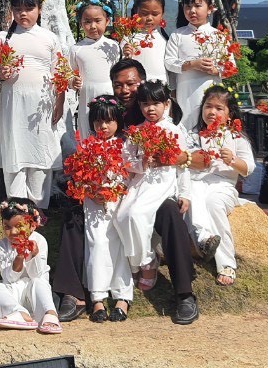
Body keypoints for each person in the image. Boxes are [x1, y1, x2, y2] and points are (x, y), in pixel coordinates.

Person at [51, 57, 199, 325]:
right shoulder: (107, 111)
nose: (125, 90)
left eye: (130, 83)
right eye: (118, 85)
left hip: (150, 186)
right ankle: (74, 294)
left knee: (169, 212)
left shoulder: (165, 119)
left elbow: (190, 159)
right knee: (75, 214)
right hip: (117, 187)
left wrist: (174, 159)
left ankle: (184, 294)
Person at [0, 0, 66, 209]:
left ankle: (38, 207)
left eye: (29, 8)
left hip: (41, 106)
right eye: (17, 9)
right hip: (13, 104)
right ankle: (15, 205)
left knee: (39, 153)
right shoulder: (3, 37)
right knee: (14, 150)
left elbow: (60, 73)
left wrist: (60, 103)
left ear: (40, 9)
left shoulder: (49, 38)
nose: (23, 13)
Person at [114, 81, 191, 290]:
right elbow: (126, 161)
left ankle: (147, 263)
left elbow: (182, 165)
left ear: (166, 104)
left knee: (137, 214)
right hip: (140, 180)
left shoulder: (174, 130)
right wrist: (142, 162)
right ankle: (139, 260)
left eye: (155, 103)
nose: (150, 109)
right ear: (139, 107)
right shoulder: (136, 132)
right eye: (145, 104)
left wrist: (185, 193)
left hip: (162, 181)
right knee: (121, 216)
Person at [70, 95, 133, 323]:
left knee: (118, 245)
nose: (103, 127)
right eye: (98, 122)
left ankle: (122, 297)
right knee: (96, 243)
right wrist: (89, 190)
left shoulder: (126, 145)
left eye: (108, 121)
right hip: (93, 201)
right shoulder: (86, 145)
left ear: (117, 121)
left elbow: (132, 174)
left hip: (119, 200)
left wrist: (117, 190)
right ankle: (97, 297)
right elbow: (78, 176)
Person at [187, 86, 255, 286]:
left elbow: (248, 168)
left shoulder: (236, 138)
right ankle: (204, 240)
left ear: (229, 114)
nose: (212, 112)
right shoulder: (193, 135)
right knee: (192, 196)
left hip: (223, 185)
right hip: (197, 181)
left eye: (219, 108)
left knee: (213, 203)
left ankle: (226, 263)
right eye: (208, 106)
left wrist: (232, 161)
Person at [164, 0, 232, 132]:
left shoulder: (219, 36)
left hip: (211, 89)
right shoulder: (177, 35)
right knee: (186, 126)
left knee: (211, 127)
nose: (192, 11)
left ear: (210, 9)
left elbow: (231, 67)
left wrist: (216, 70)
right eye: (187, 7)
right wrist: (191, 64)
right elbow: (169, 62)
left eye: (197, 6)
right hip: (185, 91)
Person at [0, 198, 62, 334]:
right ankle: (19, 313)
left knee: (38, 282)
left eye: (19, 226)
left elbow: (37, 275)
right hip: (15, 293)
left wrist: (34, 255)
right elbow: (9, 279)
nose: (14, 232)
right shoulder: (1, 246)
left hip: (36, 293)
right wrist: (19, 258)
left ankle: (50, 313)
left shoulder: (39, 241)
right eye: (7, 227)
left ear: (32, 225)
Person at [70, 0, 121, 140]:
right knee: (88, 130)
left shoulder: (113, 46)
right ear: (80, 23)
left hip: (109, 95)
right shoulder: (76, 49)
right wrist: (72, 82)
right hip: (87, 97)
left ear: (107, 20)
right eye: (87, 21)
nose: (93, 26)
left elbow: (118, 72)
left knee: (109, 130)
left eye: (98, 21)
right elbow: (69, 74)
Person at [121, 0, 169, 83]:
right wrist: (126, 57)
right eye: (144, 13)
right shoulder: (128, 40)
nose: (149, 18)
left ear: (162, 13)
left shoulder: (166, 40)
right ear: (136, 11)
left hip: (160, 91)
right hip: (137, 90)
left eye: (155, 14)